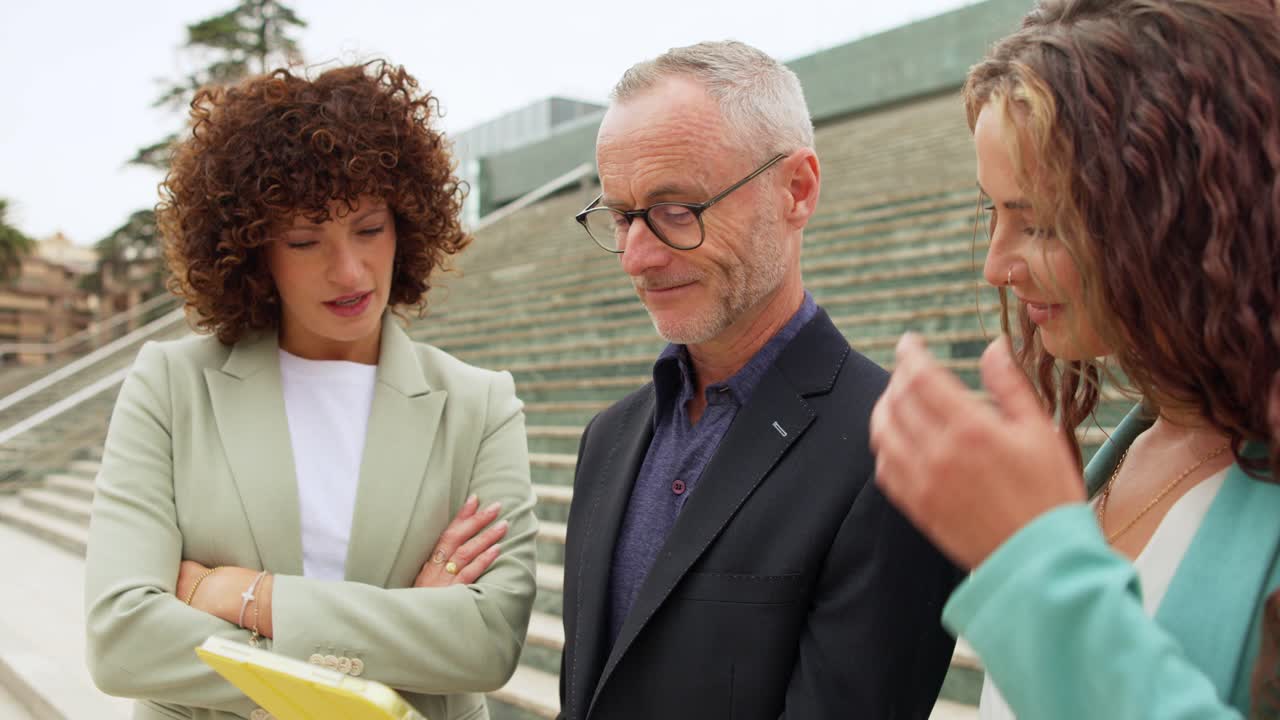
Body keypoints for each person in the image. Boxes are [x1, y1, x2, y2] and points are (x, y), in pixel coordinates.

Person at [83, 61, 538, 720]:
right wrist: (404, 634)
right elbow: (122, 643)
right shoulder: (172, 386)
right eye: (304, 239)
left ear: (406, 224)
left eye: (369, 228)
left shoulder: (479, 405)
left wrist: (248, 598)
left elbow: (488, 643)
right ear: (253, 251)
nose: (349, 270)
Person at [869, 0, 1280, 716]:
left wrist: (1034, 564)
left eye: (1041, 222)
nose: (996, 266)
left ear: (1176, 219)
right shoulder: (1129, 457)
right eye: (992, 213)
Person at [559, 40, 961, 720]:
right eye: (623, 216)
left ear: (796, 190)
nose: (636, 256)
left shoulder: (896, 449)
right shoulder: (608, 438)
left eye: (676, 210)